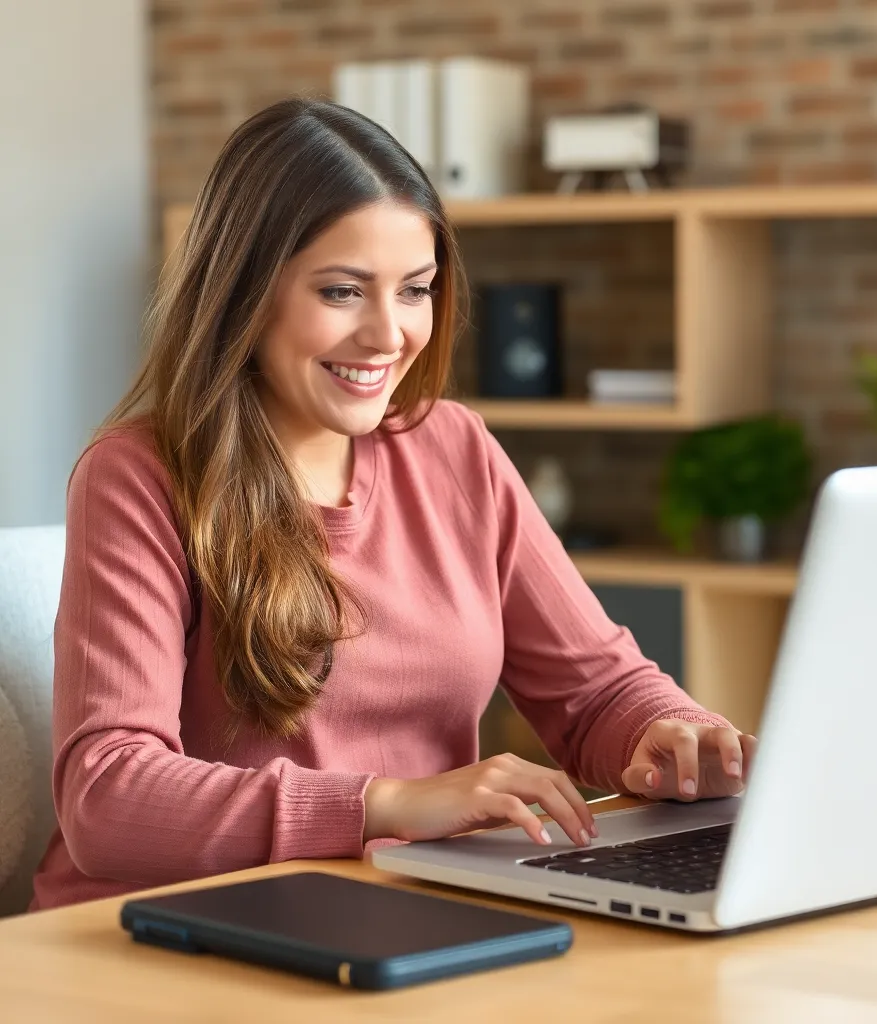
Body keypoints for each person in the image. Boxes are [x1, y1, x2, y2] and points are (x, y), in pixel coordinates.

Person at [31, 99, 755, 910]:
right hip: (173, 928)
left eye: (415, 290)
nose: (389, 335)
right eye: (342, 292)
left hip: (399, 906)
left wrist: (672, 733)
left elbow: (596, 692)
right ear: (243, 294)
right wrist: (387, 804)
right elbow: (108, 797)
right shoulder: (139, 475)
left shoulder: (455, 448)